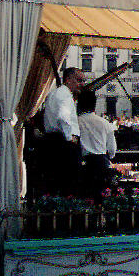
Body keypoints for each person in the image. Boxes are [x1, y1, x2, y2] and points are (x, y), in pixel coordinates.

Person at [41, 67, 86, 195]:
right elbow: (63, 117)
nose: (82, 84)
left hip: (54, 141)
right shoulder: (65, 94)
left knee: (56, 184)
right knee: (69, 184)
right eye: (79, 80)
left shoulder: (55, 93)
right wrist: (69, 138)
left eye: (83, 81)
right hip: (63, 144)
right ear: (68, 79)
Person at [76, 90, 116, 200]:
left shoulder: (76, 122)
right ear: (95, 105)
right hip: (102, 164)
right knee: (102, 199)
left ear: (79, 105)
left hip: (83, 165)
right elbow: (112, 150)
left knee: (84, 199)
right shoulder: (105, 123)